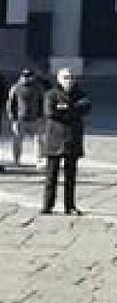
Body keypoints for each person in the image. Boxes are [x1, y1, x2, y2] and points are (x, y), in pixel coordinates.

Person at [41, 68, 91, 216]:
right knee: (51, 176)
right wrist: (72, 110)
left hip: (72, 139)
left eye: (71, 77)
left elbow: (86, 107)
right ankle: (47, 205)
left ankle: (70, 206)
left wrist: (65, 108)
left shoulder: (80, 94)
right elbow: (50, 112)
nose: (69, 80)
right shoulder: (50, 94)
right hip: (54, 139)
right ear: (59, 79)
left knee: (71, 177)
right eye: (65, 77)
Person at [7, 69, 45, 168]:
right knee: (17, 141)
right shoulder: (15, 88)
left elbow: (42, 102)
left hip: (35, 119)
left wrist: (41, 116)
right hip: (20, 119)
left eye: (29, 76)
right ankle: (16, 160)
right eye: (24, 76)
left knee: (38, 141)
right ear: (21, 76)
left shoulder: (38, 88)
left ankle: (39, 160)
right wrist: (13, 118)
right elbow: (10, 104)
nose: (26, 78)